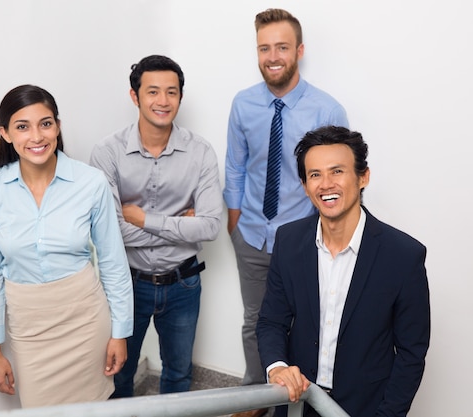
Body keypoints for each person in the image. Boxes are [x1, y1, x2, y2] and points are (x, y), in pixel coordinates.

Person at [0, 85, 134, 408]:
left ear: (58, 127)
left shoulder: (91, 183)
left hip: (86, 319)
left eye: (45, 124)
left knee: (95, 410)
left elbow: (114, 262)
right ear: (5, 134)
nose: (36, 136)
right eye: (22, 126)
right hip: (28, 326)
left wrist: (120, 333)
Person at [223, 9, 349, 415]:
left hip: (305, 238)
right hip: (254, 235)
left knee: (307, 323)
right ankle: (254, 395)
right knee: (255, 319)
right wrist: (235, 219)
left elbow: (338, 182)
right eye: (264, 48)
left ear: (299, 50)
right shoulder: (243, 104)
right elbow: (236, 165)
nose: (272, 56)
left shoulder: (326, 110)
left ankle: (296, 400)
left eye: (281, 47)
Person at [256, 125, 431, 417]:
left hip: (365, 409)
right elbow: (271, 321)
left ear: (363, 177)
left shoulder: (404, 256)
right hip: (297, 403)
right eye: (315, 175)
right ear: (304, 185)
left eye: (337, 171)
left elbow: (411, 355)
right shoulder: (288, 241)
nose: (326, 184)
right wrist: (278, 368)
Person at [90, 55, 222, 398]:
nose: (163, 101)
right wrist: (181, 224)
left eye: (171, 92)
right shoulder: (107, 152)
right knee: (118, 374)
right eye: (153, 92)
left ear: (180, 97)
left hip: (183, 283)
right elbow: (110, 230)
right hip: (126, 283)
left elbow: (209, 227)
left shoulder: (201, 152)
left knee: (179, 374)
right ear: (135, 97)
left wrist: (143, 219)